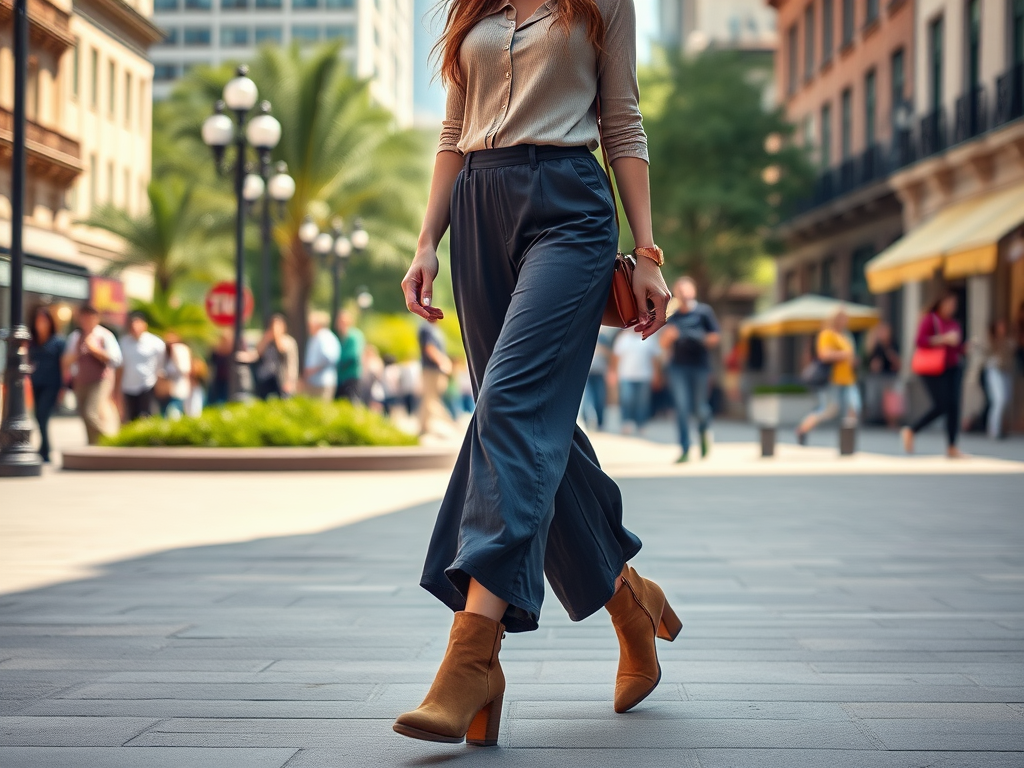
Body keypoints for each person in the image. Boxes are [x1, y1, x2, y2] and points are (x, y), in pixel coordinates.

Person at [393, 0, 677, 748]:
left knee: (511, 411)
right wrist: (427, 242)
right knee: (519, 420)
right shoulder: (473, 12)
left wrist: (646, 254)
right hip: (478, 210)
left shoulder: (600, 6)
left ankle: (473, 652)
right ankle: (630, 600)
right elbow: (453, 132)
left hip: (570, 208)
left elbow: (623, 122)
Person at [660, 277, 720, 461]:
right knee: (681, 407)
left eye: (687, 291)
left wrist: (694, 336)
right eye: (680, 291)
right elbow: (663, 344)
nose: (684, 295)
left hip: (700, 367)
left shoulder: (704, 313)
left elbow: (715, 338)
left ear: (693, 292)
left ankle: (703, 432)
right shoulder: (674, 316)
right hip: (678, 367)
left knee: (700, 408)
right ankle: (685, 448)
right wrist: (669, 337)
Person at [901, 292, 966, 458]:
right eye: (949, 303)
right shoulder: (930, 319)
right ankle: (912, 430)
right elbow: (920, 341)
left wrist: (966, 347)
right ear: (941, 302)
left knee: (954, 406)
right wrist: (943, 339)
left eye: (954, 304)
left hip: (953, 367)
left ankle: (952, 446)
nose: (952, 307)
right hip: (933, 369)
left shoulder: (954, 323)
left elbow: (957, 348)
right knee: (942, 404)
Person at [795, 309, 861, 444]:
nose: (846, 321)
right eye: (843, 318)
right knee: (829, 409)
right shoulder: (827, 334)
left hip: (848, 379)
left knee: (854, 407)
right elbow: (824, 355)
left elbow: (850, 355)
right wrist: (843, 355)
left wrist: (853, 360)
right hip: (833, 379)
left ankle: (848, 442)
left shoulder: (845, 335)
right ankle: (803, 428)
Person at [62, 305, 122, 445]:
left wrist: (95, 350)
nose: (87, 320)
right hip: (81, 380)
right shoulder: (76, 337)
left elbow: (116, 359)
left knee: (91, 412)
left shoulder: (104, 335)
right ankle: (94, 444)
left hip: (100, 380)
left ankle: (111, 440)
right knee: (83, 414)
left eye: (90, 317)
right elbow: (66, 360)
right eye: (84, 317)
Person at [28, 306, 65, 463]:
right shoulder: (33, 341)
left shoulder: (58, 342)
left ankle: (46, 450)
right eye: (39, 321)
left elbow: (63, 366)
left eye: (44, 321)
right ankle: (44, 448)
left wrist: (63, 387)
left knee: (43, 414)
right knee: (38, 416)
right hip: (37, 383)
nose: (41, 324)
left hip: (52, 384)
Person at [116, 311, 165, 422]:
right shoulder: (124, 342)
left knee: (146, 416)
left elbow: (160, 365)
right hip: (128, 385)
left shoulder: (156, 343)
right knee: (131, 418)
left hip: (147, 384)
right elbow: (120, 367)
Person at [612, 328, 661, 434]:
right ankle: (626, 422)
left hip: (644, 376)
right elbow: (616, 357)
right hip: (626, 375)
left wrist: (656, 373)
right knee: (626, 400)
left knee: (642, 403)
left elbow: (654, 358)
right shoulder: (623, 338)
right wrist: (614, 373)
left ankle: (641, 423)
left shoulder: (649, 338)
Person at [417, 317, 453, 436]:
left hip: (434, 370)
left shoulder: (433, 329)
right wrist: (443, 361)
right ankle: (448, 422)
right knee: (431, 400)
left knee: (428, 399)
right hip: (431, 369)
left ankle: (423, 428)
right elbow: (430, 348)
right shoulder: (428, 329)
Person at [249, 314, 299, 400]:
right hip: (265, 376)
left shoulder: (288, 341)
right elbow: (257, 353)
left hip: (281, 377)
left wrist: (290, 381)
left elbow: (292, 363)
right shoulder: (266, 339)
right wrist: (266, 339)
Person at [980, 319, 1015, 439]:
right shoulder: (990, 341)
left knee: (1006, 400)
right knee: (998, 400)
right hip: (994, 372)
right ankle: (993, 430)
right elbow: (984, 356)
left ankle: (1001, 428)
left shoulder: (1008, 342)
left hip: (1005, 372)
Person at [863, 322, 901, 427]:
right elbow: (871, 362)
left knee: (892, 399)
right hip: (878, 377)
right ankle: (877, 419)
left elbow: (898, 362)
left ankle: (892, 421)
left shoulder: (893, 344)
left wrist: (893, 357)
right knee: (876, 399)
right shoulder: (877, 345)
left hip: (890, 375)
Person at [580, 328, 615, 430]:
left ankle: (600, 422)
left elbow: (611, 356)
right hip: (586, 372)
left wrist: (602, 350)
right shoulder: (583, 334)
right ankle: (586, 422)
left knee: (600, 398)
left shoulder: (603, 338)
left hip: (599, 372)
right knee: (586, 399)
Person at [303, 310, 340, 402]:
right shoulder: (316, 337)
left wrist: (312, 370)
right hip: (315, 382)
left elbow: (328, 357)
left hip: (322, 382)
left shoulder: (323, 336)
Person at [335, 309, 365, 402]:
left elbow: (353, 356)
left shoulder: (354, 336)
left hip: (350, 375)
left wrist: (338, 363)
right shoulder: (341, 336)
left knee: (351, 400)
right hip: (341, 376)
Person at [161, 332, 192, 420]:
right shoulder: (167, 356)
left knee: (174, 414)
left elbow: (184, 369)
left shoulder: (180, 350)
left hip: (178, 390)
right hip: (169, 392)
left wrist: (176, 353)